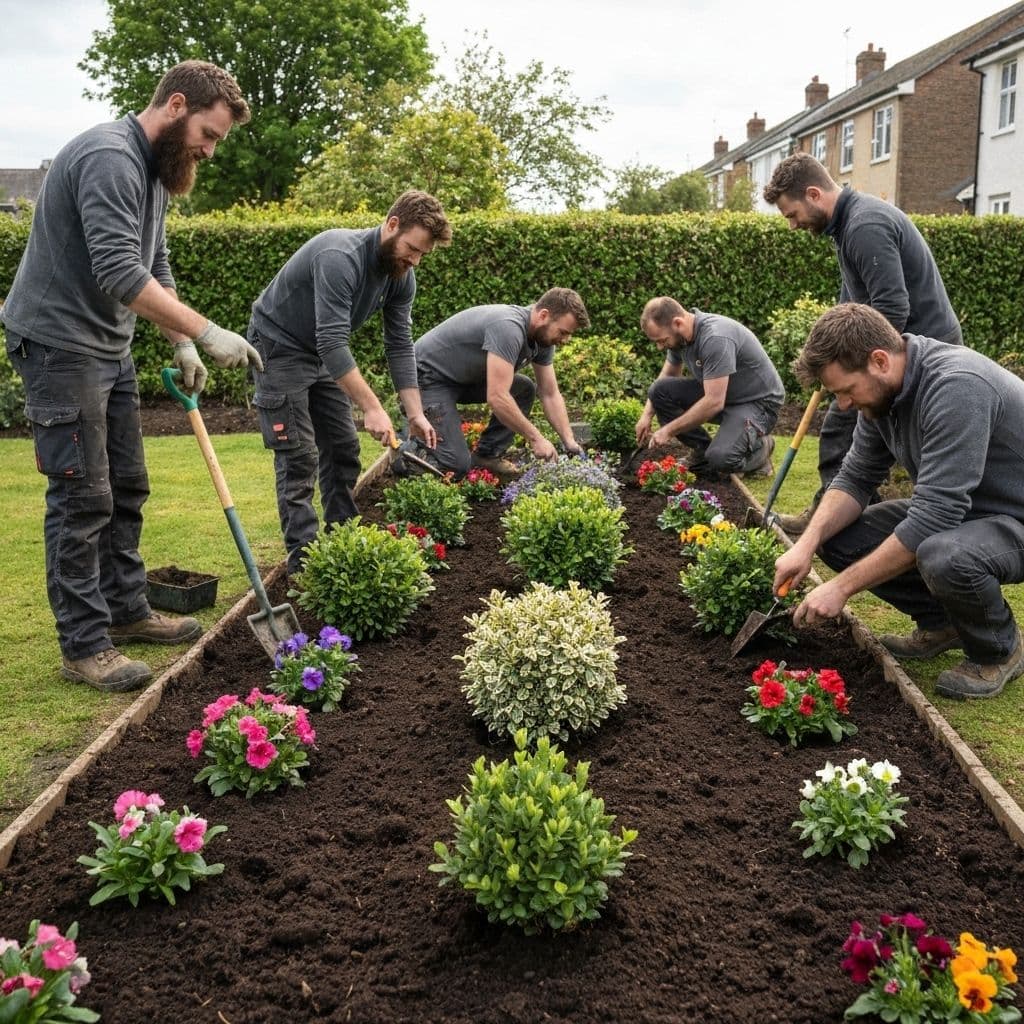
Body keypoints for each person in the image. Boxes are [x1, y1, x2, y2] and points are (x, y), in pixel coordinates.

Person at [2, 61, 261, 693]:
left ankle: (125, 610)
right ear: (176, 106)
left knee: (127, 485)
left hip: (107, 348)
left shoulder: (152, 173)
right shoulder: (110, 157)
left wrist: (180, 344)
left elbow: (154, 261)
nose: (209, 148)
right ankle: (84, 645)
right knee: (82, 496)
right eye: (209, 133)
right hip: (59, 346)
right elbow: (120, 272)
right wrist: (205, 330)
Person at [775, 303, 1024, 699]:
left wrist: (840, 588)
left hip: (1014, 517)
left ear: (879, 361)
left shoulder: (956, 387)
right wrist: (804, 545)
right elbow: (855, 478)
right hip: (967, 512)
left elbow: (935, 517)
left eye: (845, 390)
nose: (842, 404)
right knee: (836, 537)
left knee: (944, 555)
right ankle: (943, 622)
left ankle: (999, 647)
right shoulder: (882, 398)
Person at [248, 191, 451, 575]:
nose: (414, 260)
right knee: (298, 456)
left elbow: (399, 346)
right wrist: (372, 407)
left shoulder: (400, 278)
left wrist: (415, 414)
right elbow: (332, 341)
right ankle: (304, 562)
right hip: (278, 346)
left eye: (423, 254)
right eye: (412, 248)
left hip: (320, 353)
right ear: (391, 225)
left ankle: (342, 542)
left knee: (343, 447)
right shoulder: (339, 256)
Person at [762, 153, 961, 534]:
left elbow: (891, 307)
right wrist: (827, 356)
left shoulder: (864, 225)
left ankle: (842, 519)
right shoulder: (847, 226)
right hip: (901, 345)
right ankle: (848, 515)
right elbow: (851, 303)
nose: (792, 225)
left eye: (791, 214)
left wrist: (850, 368)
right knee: (854, 427)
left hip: (924, 351)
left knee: (844, 423)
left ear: (814, 194)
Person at [408, 289, 589, 479]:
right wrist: (536, 439)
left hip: (460, 380)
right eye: (563, 332)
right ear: (544, 315)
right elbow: (497, 397)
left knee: (524, 389)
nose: (565, 340)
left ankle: (487, 456)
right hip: (426, 378)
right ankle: (405, 454)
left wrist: (570, 442)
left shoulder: (542, 339)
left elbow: (549, 393)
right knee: (456, 465)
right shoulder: (509, 328)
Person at [634, 297, 783, 479]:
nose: (659, 347)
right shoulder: (679, 338)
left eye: (662, 340)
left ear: (678, 323)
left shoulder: (715, 337)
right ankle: (701, 452)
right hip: (726, 395)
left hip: (758, 403)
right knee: (659, 391)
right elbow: (667, 376)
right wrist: (647, 415)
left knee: (721, 460)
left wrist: (668, 430)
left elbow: (713, 402)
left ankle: (761, 450)